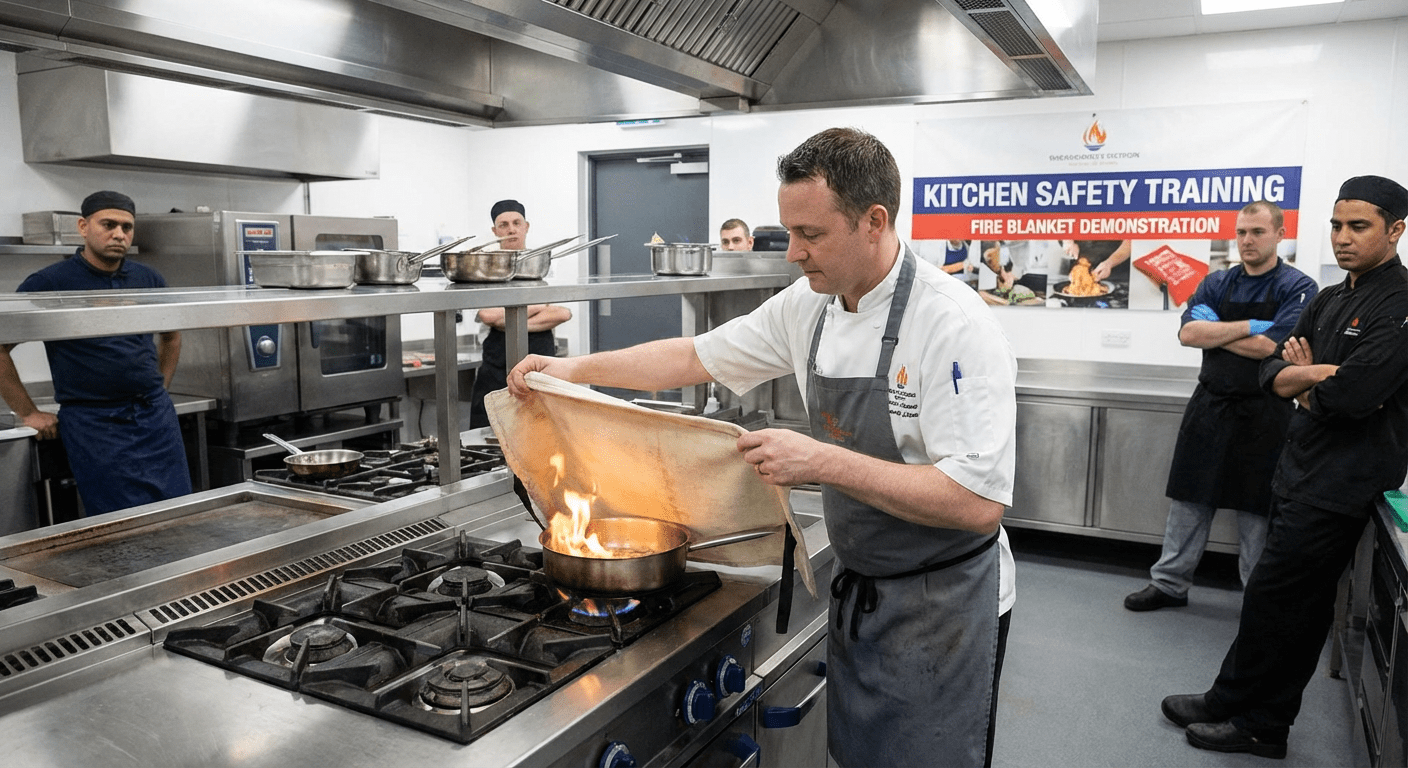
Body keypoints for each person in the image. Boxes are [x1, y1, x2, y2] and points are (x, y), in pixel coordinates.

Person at [508, 128, 1018, 767]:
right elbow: (692, 356)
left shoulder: (952, 325)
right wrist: (574, 371)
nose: (792, 254)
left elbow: (977, 503)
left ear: (874, 221)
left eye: (810, 234)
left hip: (943, 605)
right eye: (788, 233)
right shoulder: (812, 305)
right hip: (865, 591)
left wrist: (820, 460)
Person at [1162, 175, 1408, 759]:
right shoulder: (1330, 296)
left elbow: (1354, 396)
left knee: (1292, 609)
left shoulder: (1398, 306)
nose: (1342, 238)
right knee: (1269, 599)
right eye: (1336, 225)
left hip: (1340, 483)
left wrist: (1314, 378)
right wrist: (1313, 374)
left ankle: (1264, 725)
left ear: (1395, 230)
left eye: (1359, 227)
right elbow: (1272, 371)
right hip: (1300, 469)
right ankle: (1229, 698)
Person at [1125, 201, 1318, 612]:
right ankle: (1169, 584)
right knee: (1189, 500)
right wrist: (1252, 325)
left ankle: (1257, 596)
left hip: (1267, 412)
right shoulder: (1216, 282)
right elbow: (1189, 333)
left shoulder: (1298, 287)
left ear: (1280, 235)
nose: (1247, 241)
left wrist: (1218, 332)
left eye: (1257, 232)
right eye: (1242, 232)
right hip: (1210, 406)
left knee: (1257, 510)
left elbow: (1274, 347)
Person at [0, 190, 191, 517]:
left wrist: (160, 388)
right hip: (95, 423)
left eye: (127, 227)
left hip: (155, 417)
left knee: (178, 510)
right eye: (109, 224)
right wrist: (28, 412)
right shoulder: (50, 283)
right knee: (117, 520)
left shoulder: (149, 278)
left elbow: (171, 337)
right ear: (83, 227)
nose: (119, 234)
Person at [467, 199, 572, 429]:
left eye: (516, 223)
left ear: (526, 226)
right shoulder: (485, 267)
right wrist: (537, 306)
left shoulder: (543, 264)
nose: (511, 229)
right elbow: (487, 316)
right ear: (495, 232)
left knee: (541, 438)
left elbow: (562, 313)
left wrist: (507, 320)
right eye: (503, 225)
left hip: (540, 370)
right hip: (495, 371)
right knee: (488, 440)